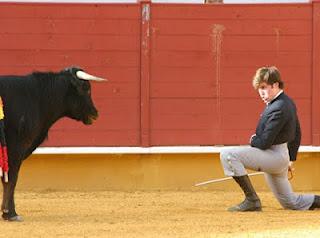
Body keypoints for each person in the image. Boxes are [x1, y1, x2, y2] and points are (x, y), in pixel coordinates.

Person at [220, 66, 320, 211]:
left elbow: (264, 142)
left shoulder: (278, 107)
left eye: (264, 87)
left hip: (273, 156)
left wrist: (253, 139)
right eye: (259, 88)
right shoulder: (286, 102)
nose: (261, 92)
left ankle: (252, 199)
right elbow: (297, 132)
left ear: (275, 85)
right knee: (291, 202)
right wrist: (290, 159)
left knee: (228, 155)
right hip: (280, 157)